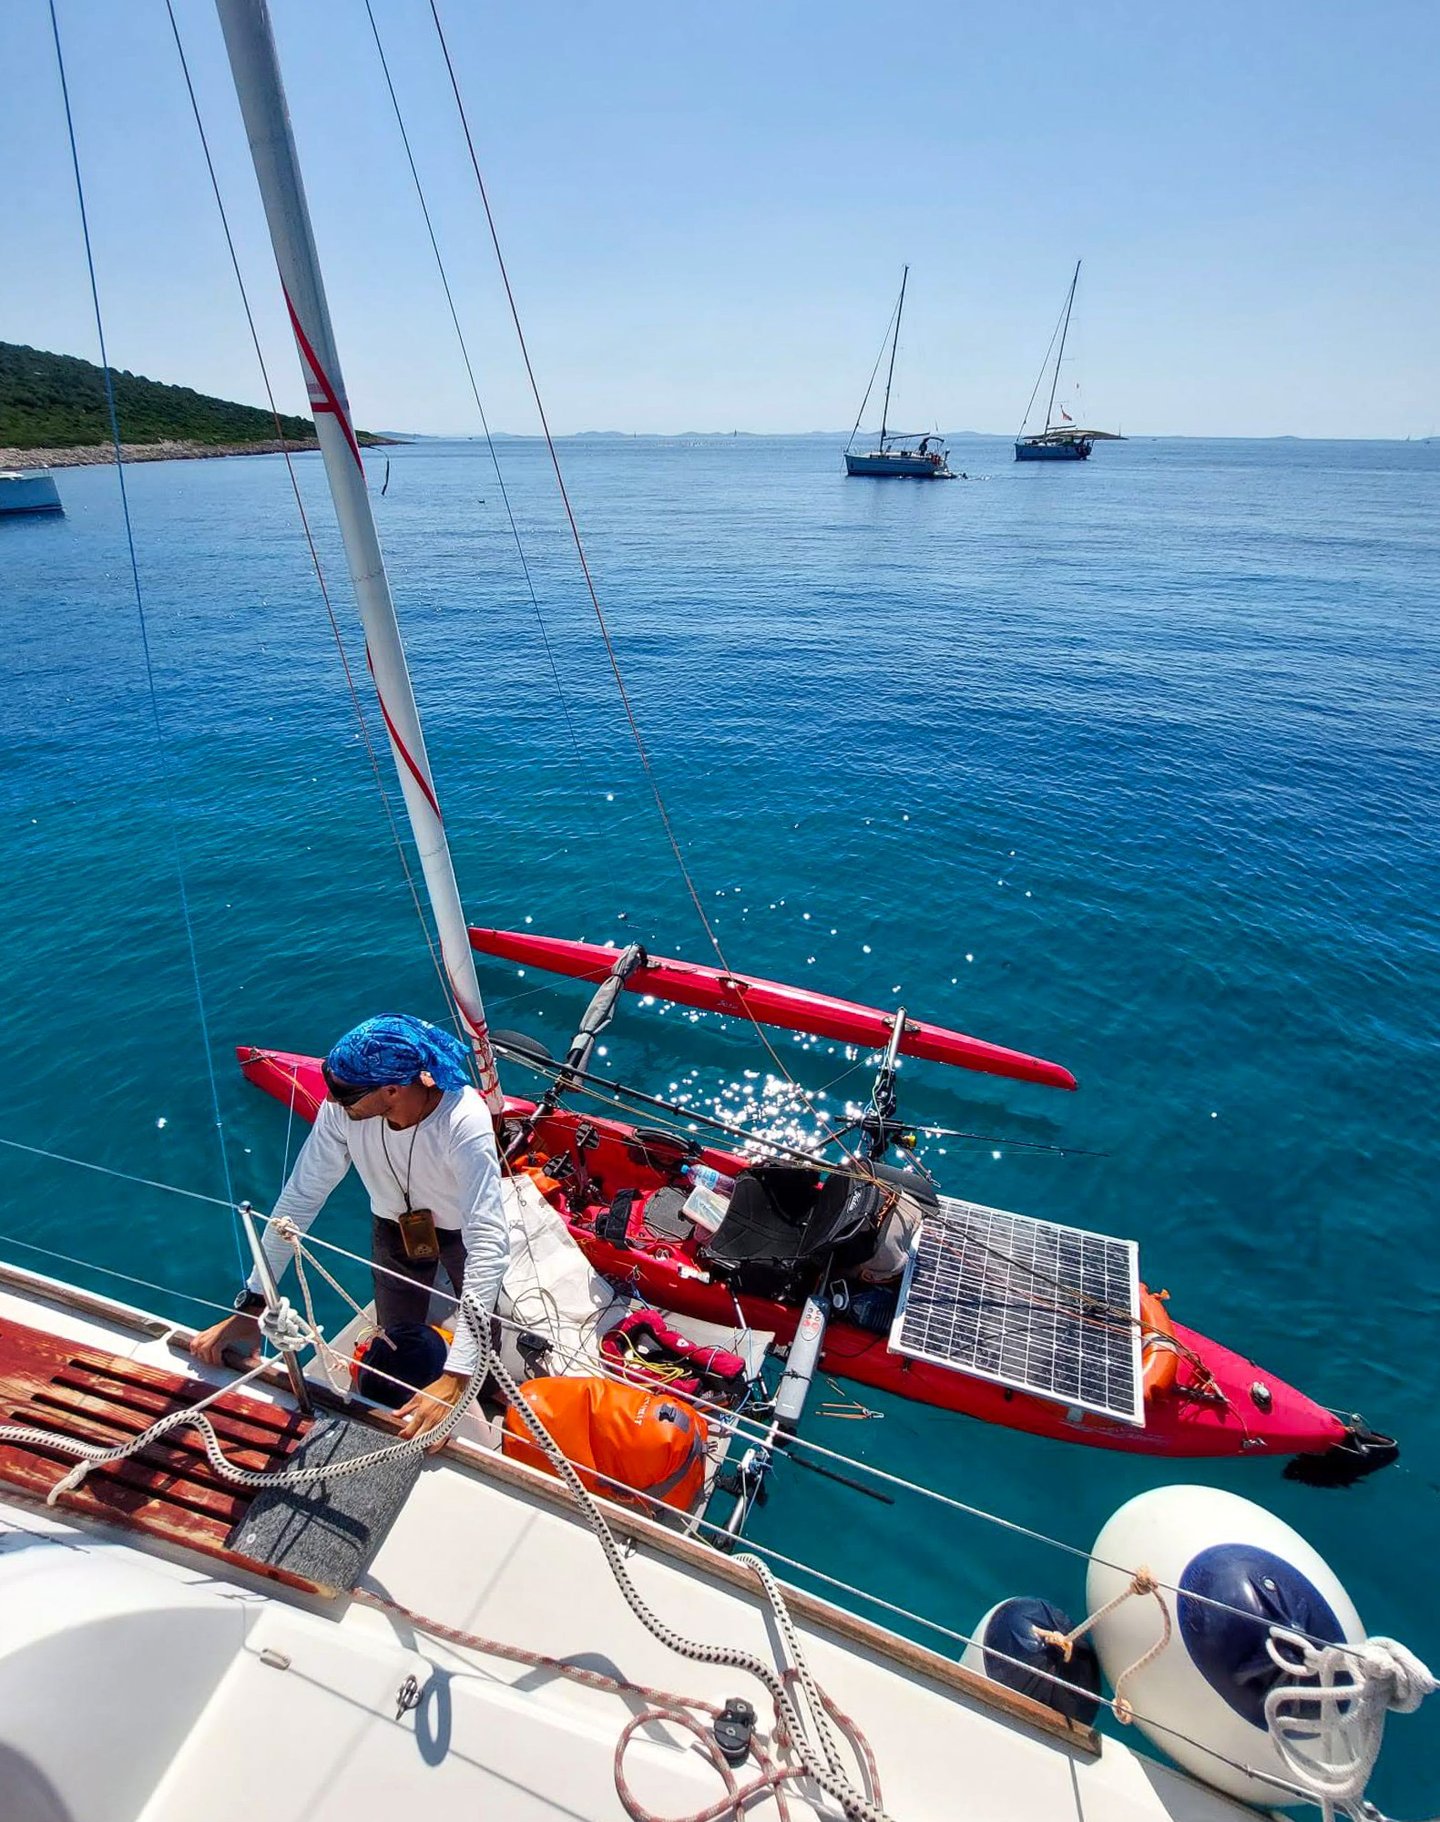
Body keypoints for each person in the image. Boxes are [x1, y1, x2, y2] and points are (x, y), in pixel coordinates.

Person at [191, 1013, 510, 1444]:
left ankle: (481, 1387)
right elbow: (301, 1197)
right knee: (397, 1337)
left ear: (392, 1089)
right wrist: (253, 1304)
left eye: (344, 1093)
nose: (332, 1100)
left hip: (461, 1236)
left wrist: (457, 1375)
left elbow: (487, 1242)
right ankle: (414, 1399)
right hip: (394, 1230)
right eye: (332, 1088)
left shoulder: (463, 1119)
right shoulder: (344, 1110)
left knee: (485, 1334)